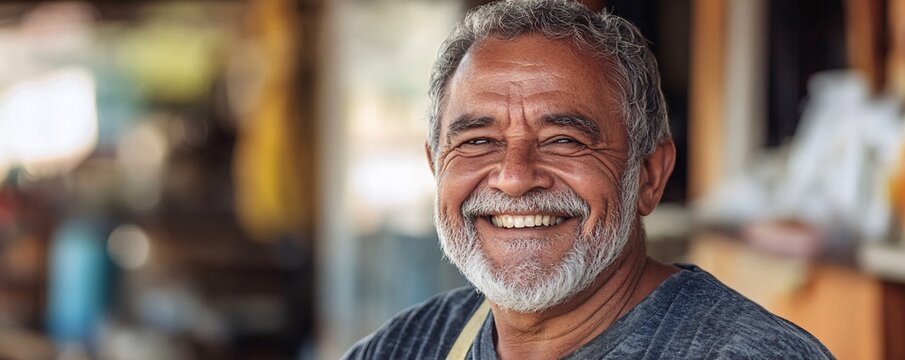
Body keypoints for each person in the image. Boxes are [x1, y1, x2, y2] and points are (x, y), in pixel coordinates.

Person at [344, 0, 834, 359]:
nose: (514, 178)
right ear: (436, 166)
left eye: (564, 140)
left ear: (648, 175)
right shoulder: (400, 349)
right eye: (478, 141)